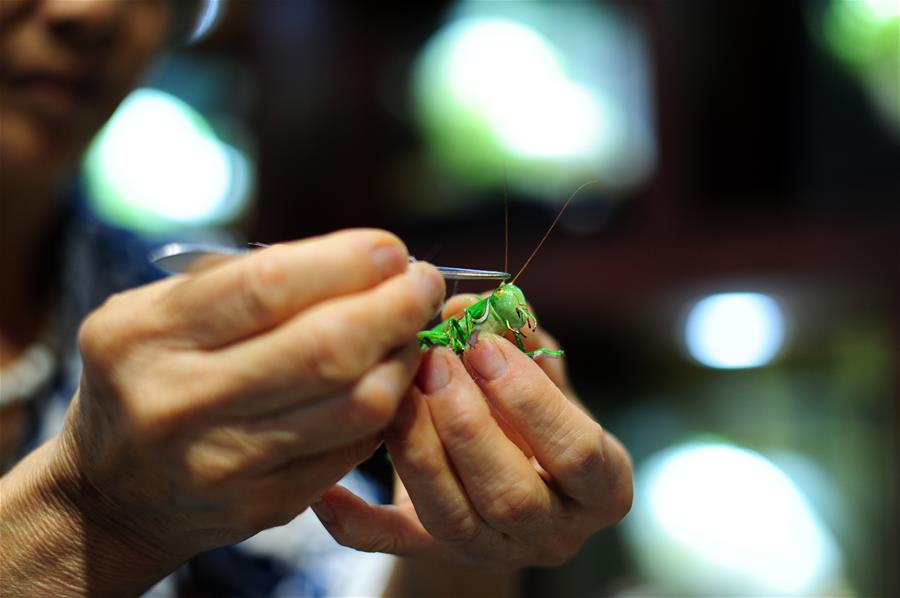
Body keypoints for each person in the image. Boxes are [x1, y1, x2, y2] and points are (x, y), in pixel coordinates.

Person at [0, 1, 633, 596]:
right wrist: (87, 515)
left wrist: (469, 537)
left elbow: (336, 571)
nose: (93, 11)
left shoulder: (172, 287)